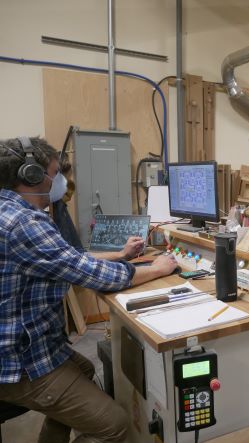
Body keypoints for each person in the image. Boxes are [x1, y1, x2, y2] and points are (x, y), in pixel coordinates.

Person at [0, 136, 178, 443]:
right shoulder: (24, 222)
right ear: (30, 176)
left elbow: (64, 259)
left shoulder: (9, 211)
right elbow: (92, 275)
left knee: (83, 370)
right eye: (55, 174)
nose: (60, 183)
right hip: (19, 364)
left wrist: (119, 254)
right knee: (116, 426)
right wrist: (156, 269)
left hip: (32, 347)